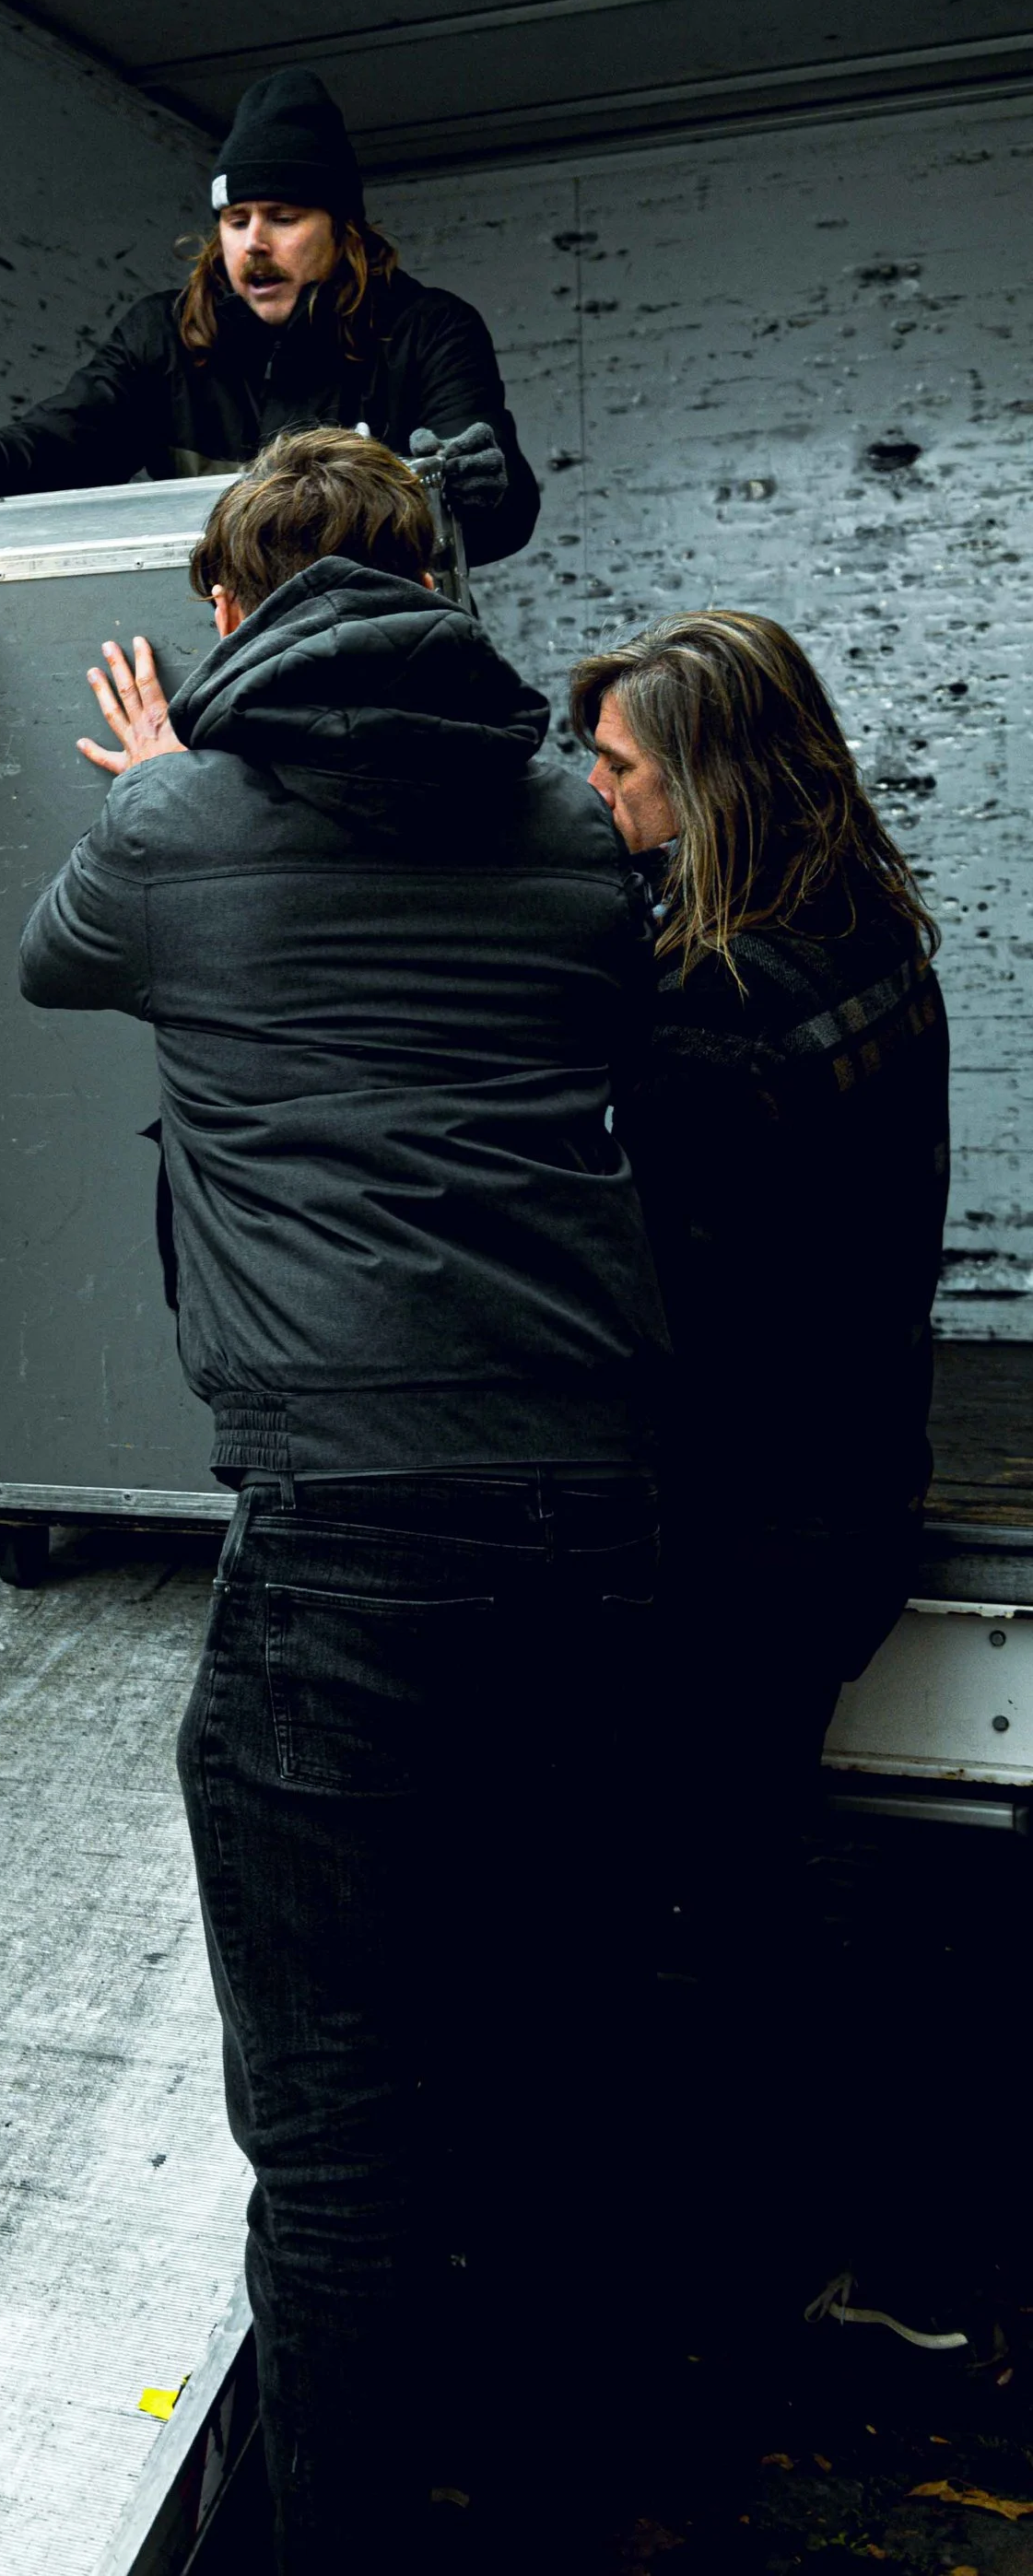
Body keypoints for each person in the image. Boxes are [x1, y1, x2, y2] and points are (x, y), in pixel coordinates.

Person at [21, 430, 662, 2572]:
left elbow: (50, 956)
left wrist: (148, 781)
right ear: (440, 587)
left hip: (351, 1524)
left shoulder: (175, 823)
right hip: (593, 1500)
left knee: (337, 2139)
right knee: (553, 2067)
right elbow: (585, 997)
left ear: (227, 610)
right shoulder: (578, 821)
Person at [573, 613, 951, 2348]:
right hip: (847, 1477)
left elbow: (657, 1299)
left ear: (710, 783)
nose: (599, 792)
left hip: (743, 1521)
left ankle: (820, 2256)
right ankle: (857, 2244)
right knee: (753, 1869)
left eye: (625, 769)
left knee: (719, 1896)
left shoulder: (716, 1008)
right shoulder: (868, 929)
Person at [0, 65, 539, 564]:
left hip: (387, 654)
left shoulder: (427, 329)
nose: (254, 241)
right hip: (213, 652)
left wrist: (478, 487)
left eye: (283, 218)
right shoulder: (164, 336)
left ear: (343, 231)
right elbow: (72, 435)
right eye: (236, 220)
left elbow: (493, 502)